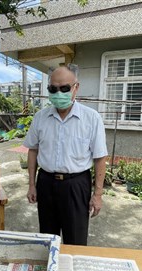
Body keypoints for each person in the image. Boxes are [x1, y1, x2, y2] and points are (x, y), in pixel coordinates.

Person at [24, 64, 108, 245]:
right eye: (53, 89)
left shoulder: (91, 118)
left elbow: (100, 158)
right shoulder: (40, 117)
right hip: (46, 183)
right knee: (47, 239)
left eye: (64, 88)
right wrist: (31, 185)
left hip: (76, 185)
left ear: (76, 87)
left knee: (76, 240)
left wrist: (98, 194)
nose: (58, 93)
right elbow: (33, 150)